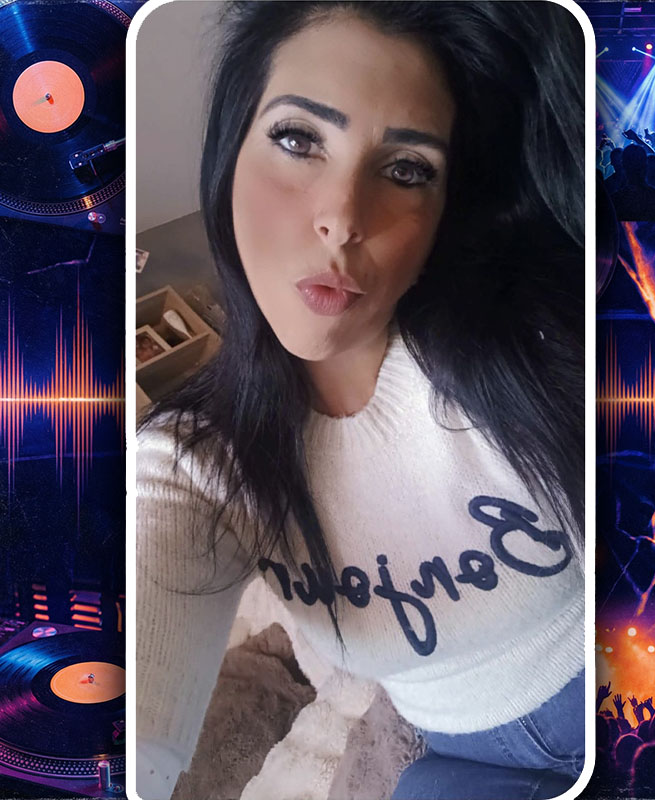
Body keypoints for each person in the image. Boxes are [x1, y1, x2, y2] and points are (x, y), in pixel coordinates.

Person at [136, 2, 586, 798]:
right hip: (463, 754)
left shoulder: (532, 344)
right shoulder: (193, 462)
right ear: (230, 153)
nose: (342, 219)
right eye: (298, 138)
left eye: (407, 169)